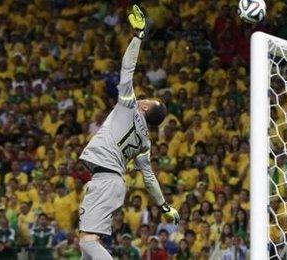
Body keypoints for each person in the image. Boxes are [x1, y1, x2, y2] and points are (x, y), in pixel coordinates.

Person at [77, 5, 179, 259]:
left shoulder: (128, 106)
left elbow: (127, 68)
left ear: (144, 106)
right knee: (88, 246)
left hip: (105, 179)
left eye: (147, 98)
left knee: (88, 243)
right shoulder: (145, 142)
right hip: (110, 181)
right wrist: (163, 206)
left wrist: (138, 36)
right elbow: (149, 178)